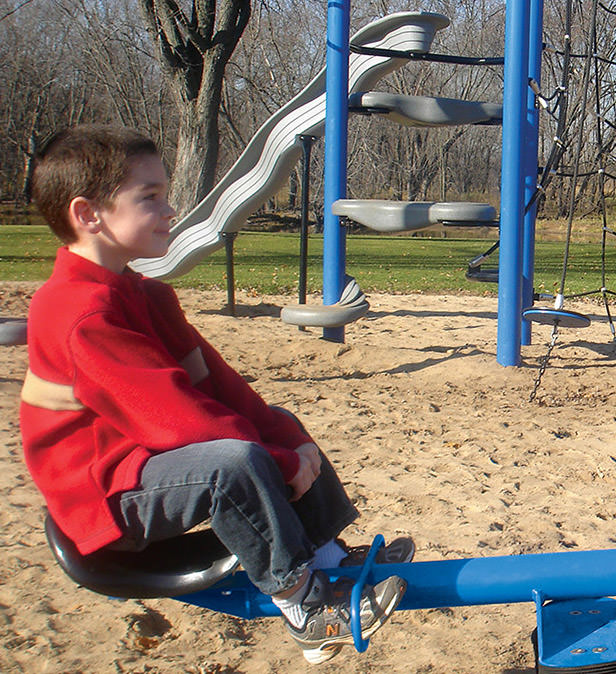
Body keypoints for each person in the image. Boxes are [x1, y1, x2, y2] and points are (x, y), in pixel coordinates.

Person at [20, 124, 415, 664]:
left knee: (276, 420)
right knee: (233, 463)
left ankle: (328, 561)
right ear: (88, 215)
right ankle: (306, 606)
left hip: (143, 463)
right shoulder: (80, 312)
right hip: (105, 493)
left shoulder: (147, 296)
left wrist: (285, 444)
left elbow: (220, 389)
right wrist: (277, 463)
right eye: (150, 198)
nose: (169, 209)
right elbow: (176, 420)